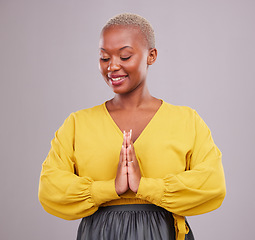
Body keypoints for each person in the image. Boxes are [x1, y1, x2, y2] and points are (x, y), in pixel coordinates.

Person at [38, 13, 226, 240]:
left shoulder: (187, 120)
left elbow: (212, 185)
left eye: (125, 56)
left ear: (151, 55)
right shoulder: (77, 124)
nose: (112, 67)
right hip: (99, 234)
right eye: (104, 58)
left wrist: (145, 186)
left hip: (163, 233)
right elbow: (50, 189)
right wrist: (110, 188)